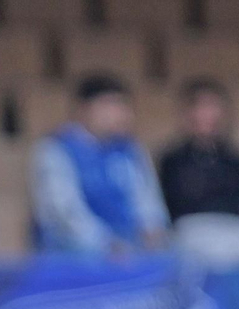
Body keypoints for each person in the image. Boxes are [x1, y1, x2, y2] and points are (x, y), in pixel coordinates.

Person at [31, 73, 170, 253]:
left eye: (122, 105)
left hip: (129, 248)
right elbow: (63, 212)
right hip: (74, 252)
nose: (119, 113)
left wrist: (152, 229)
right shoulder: (55, 150)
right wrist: (105, 243)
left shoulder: (129, 149)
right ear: (82, 109)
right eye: (109, 105)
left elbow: (146, 198)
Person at [156, 79, 239, 222]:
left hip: (237, 228)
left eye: (213, 106)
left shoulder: (238, 161)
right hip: (193, 227)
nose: (207, 114)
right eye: (201, 107)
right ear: (188, 113)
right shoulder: (172, 161)